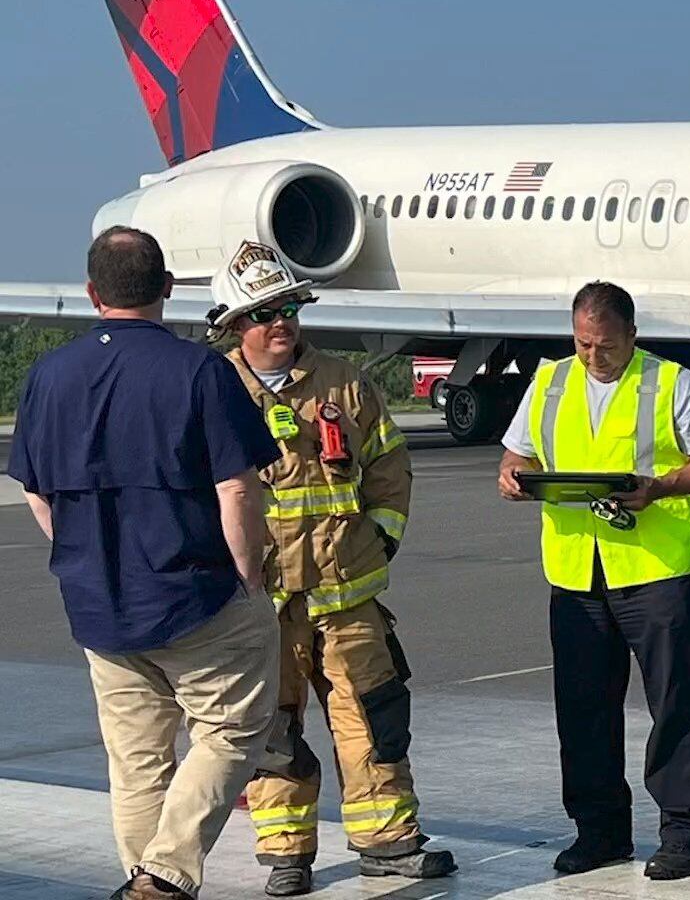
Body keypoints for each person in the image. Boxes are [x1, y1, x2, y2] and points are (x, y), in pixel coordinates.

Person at [6, 227, 283, 900]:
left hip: (99, 600)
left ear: (91, 293)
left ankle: (144, 882)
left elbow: (35, 489)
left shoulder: (50, 376)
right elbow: (236, 487)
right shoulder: (199, 371)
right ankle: (165, 873)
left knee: (136, 763)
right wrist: (249, 574)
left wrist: (76, 554)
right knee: (231, 732)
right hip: (197, 593)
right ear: (167, 287)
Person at [206, 240, 456, 896]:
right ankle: (286, 854)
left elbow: (389, 466)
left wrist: (377, 541)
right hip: (264, 606)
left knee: (374, 719)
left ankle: (390, 843)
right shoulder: (212, 391)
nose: (280, 322)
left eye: (288, 306)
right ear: (235, 324)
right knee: (272, 730)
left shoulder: (345, 383)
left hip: (349, 599)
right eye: (263, 312)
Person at [496, 281, 690, 880]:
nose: (592, 356)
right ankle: (599, 832)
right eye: (582, 343)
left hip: (655, 571)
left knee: (676, 704)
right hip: (577, 572)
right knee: (582, 710)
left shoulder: (672, 382)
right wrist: (514, 477)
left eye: (604, 345)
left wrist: (661, 487)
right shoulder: (551, 382)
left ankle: (684, 834)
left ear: (632, 335)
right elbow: (516, 454)